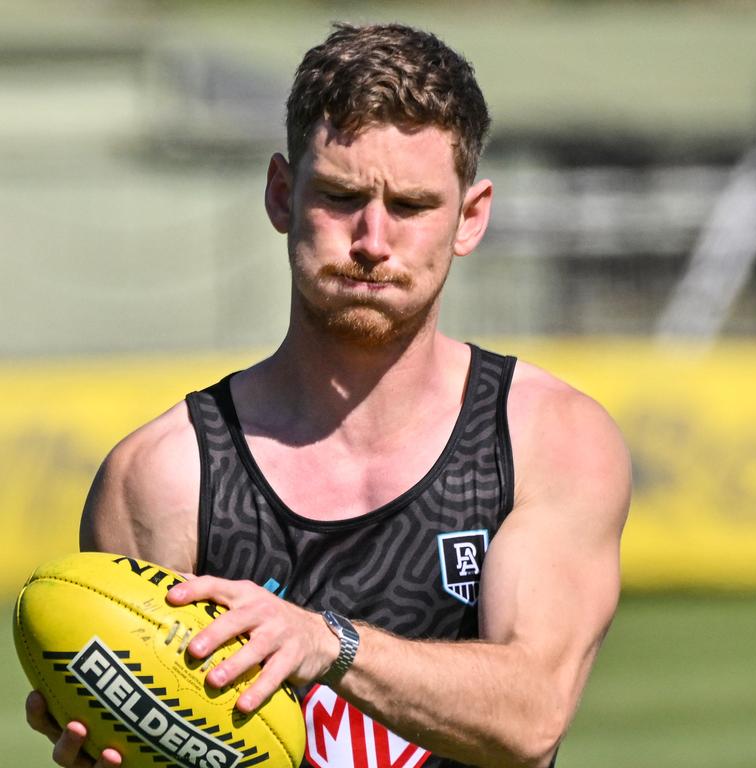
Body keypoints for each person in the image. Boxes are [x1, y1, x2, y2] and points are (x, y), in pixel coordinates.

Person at [26, 22, 631, 768]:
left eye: (411, 206)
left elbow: (532, 716)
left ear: (470, 218)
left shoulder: (547, 439)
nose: (373, 239)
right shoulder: (162, 478)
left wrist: (328, 643)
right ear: (282, 194)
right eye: (341, 197)